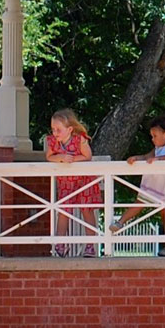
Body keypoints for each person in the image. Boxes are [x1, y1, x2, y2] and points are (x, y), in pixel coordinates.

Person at [122, 115, 165, 253]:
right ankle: (120, 222)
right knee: (141, 201)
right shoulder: (158, 147)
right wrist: (136, 158)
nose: (152, 139)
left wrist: (159, 159)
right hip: (158, 181)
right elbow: (147, 156)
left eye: (155, 135)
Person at [44, 108, 100, 257]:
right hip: (66, 182)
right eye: (53, 129)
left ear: (69, 129)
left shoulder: (79, 139)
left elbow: (87, 156)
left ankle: (90, 245)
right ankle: (60, 244)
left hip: (84, 180)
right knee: (63, 211)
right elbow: (49, 156)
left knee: (87, 211)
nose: (55, 133)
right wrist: (60, 157)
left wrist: (73, 159)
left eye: (58, 130)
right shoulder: (52, 142)